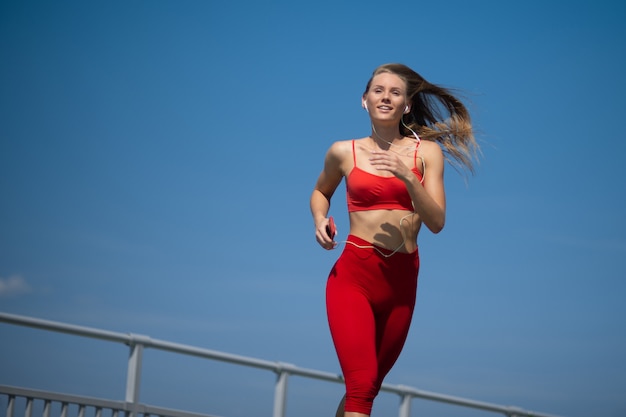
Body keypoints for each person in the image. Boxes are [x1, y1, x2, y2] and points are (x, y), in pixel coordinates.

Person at [309, 63, 479, 417]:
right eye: (378, 90)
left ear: (407, 106)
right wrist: (320, 219)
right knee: (361, 383)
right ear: (364, 101)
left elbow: (436, 222)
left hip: (402, 283)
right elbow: (320, 192)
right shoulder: (343, 151)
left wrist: (408, 177)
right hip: (353, 276)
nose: (385, 96)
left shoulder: (426, 153)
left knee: (367, 390)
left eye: (395, 92)